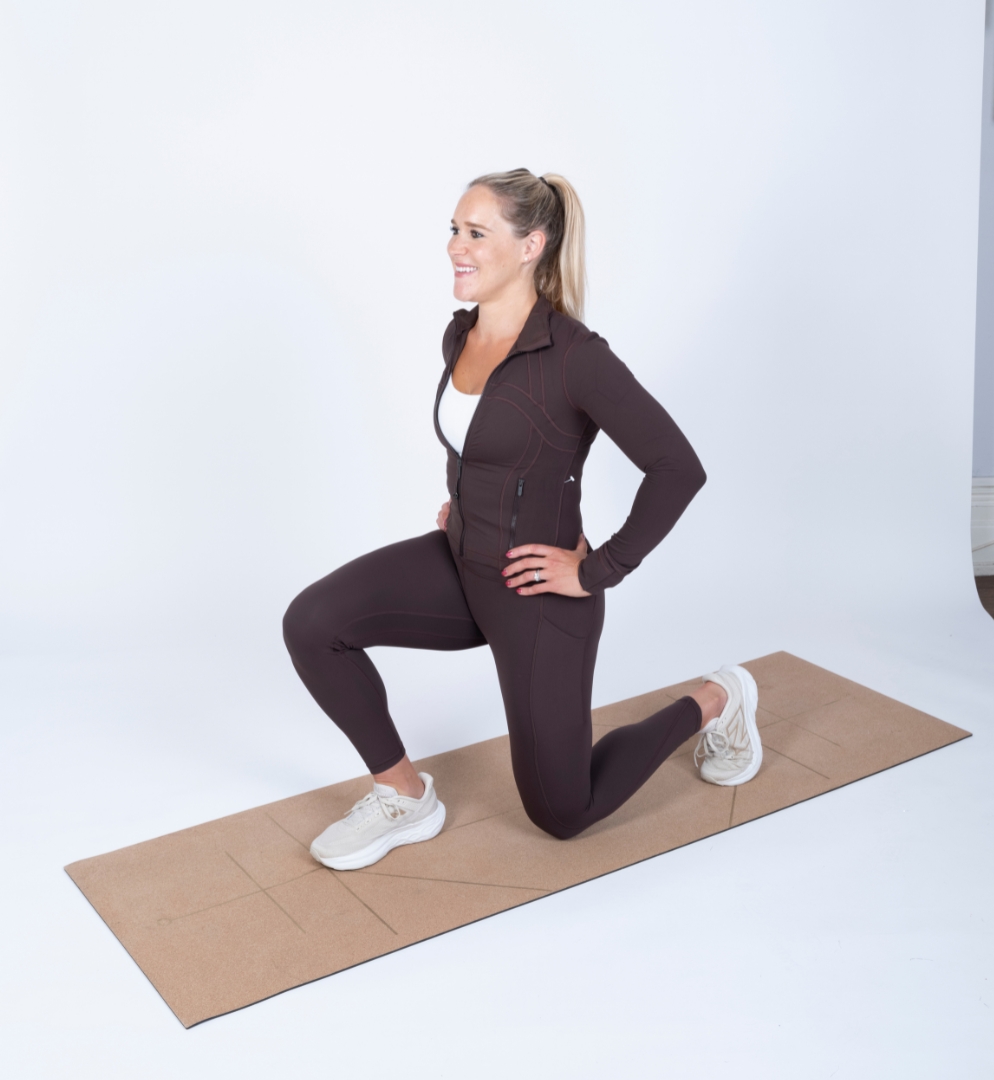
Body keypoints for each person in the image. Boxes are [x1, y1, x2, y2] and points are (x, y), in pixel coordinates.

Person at [283, 168, 762, 871]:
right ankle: (404, 796)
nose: (457, 247)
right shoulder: (461, 335)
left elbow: (676, 468)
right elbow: (482, 443)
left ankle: (718, 698)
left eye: (477, 233)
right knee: (313, 622)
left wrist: (597, 570)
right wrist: (465, 502)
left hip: (539, 597)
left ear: (532, 245)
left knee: (563, 813)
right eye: (454, 229)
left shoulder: (576, 358)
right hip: (460, 565)